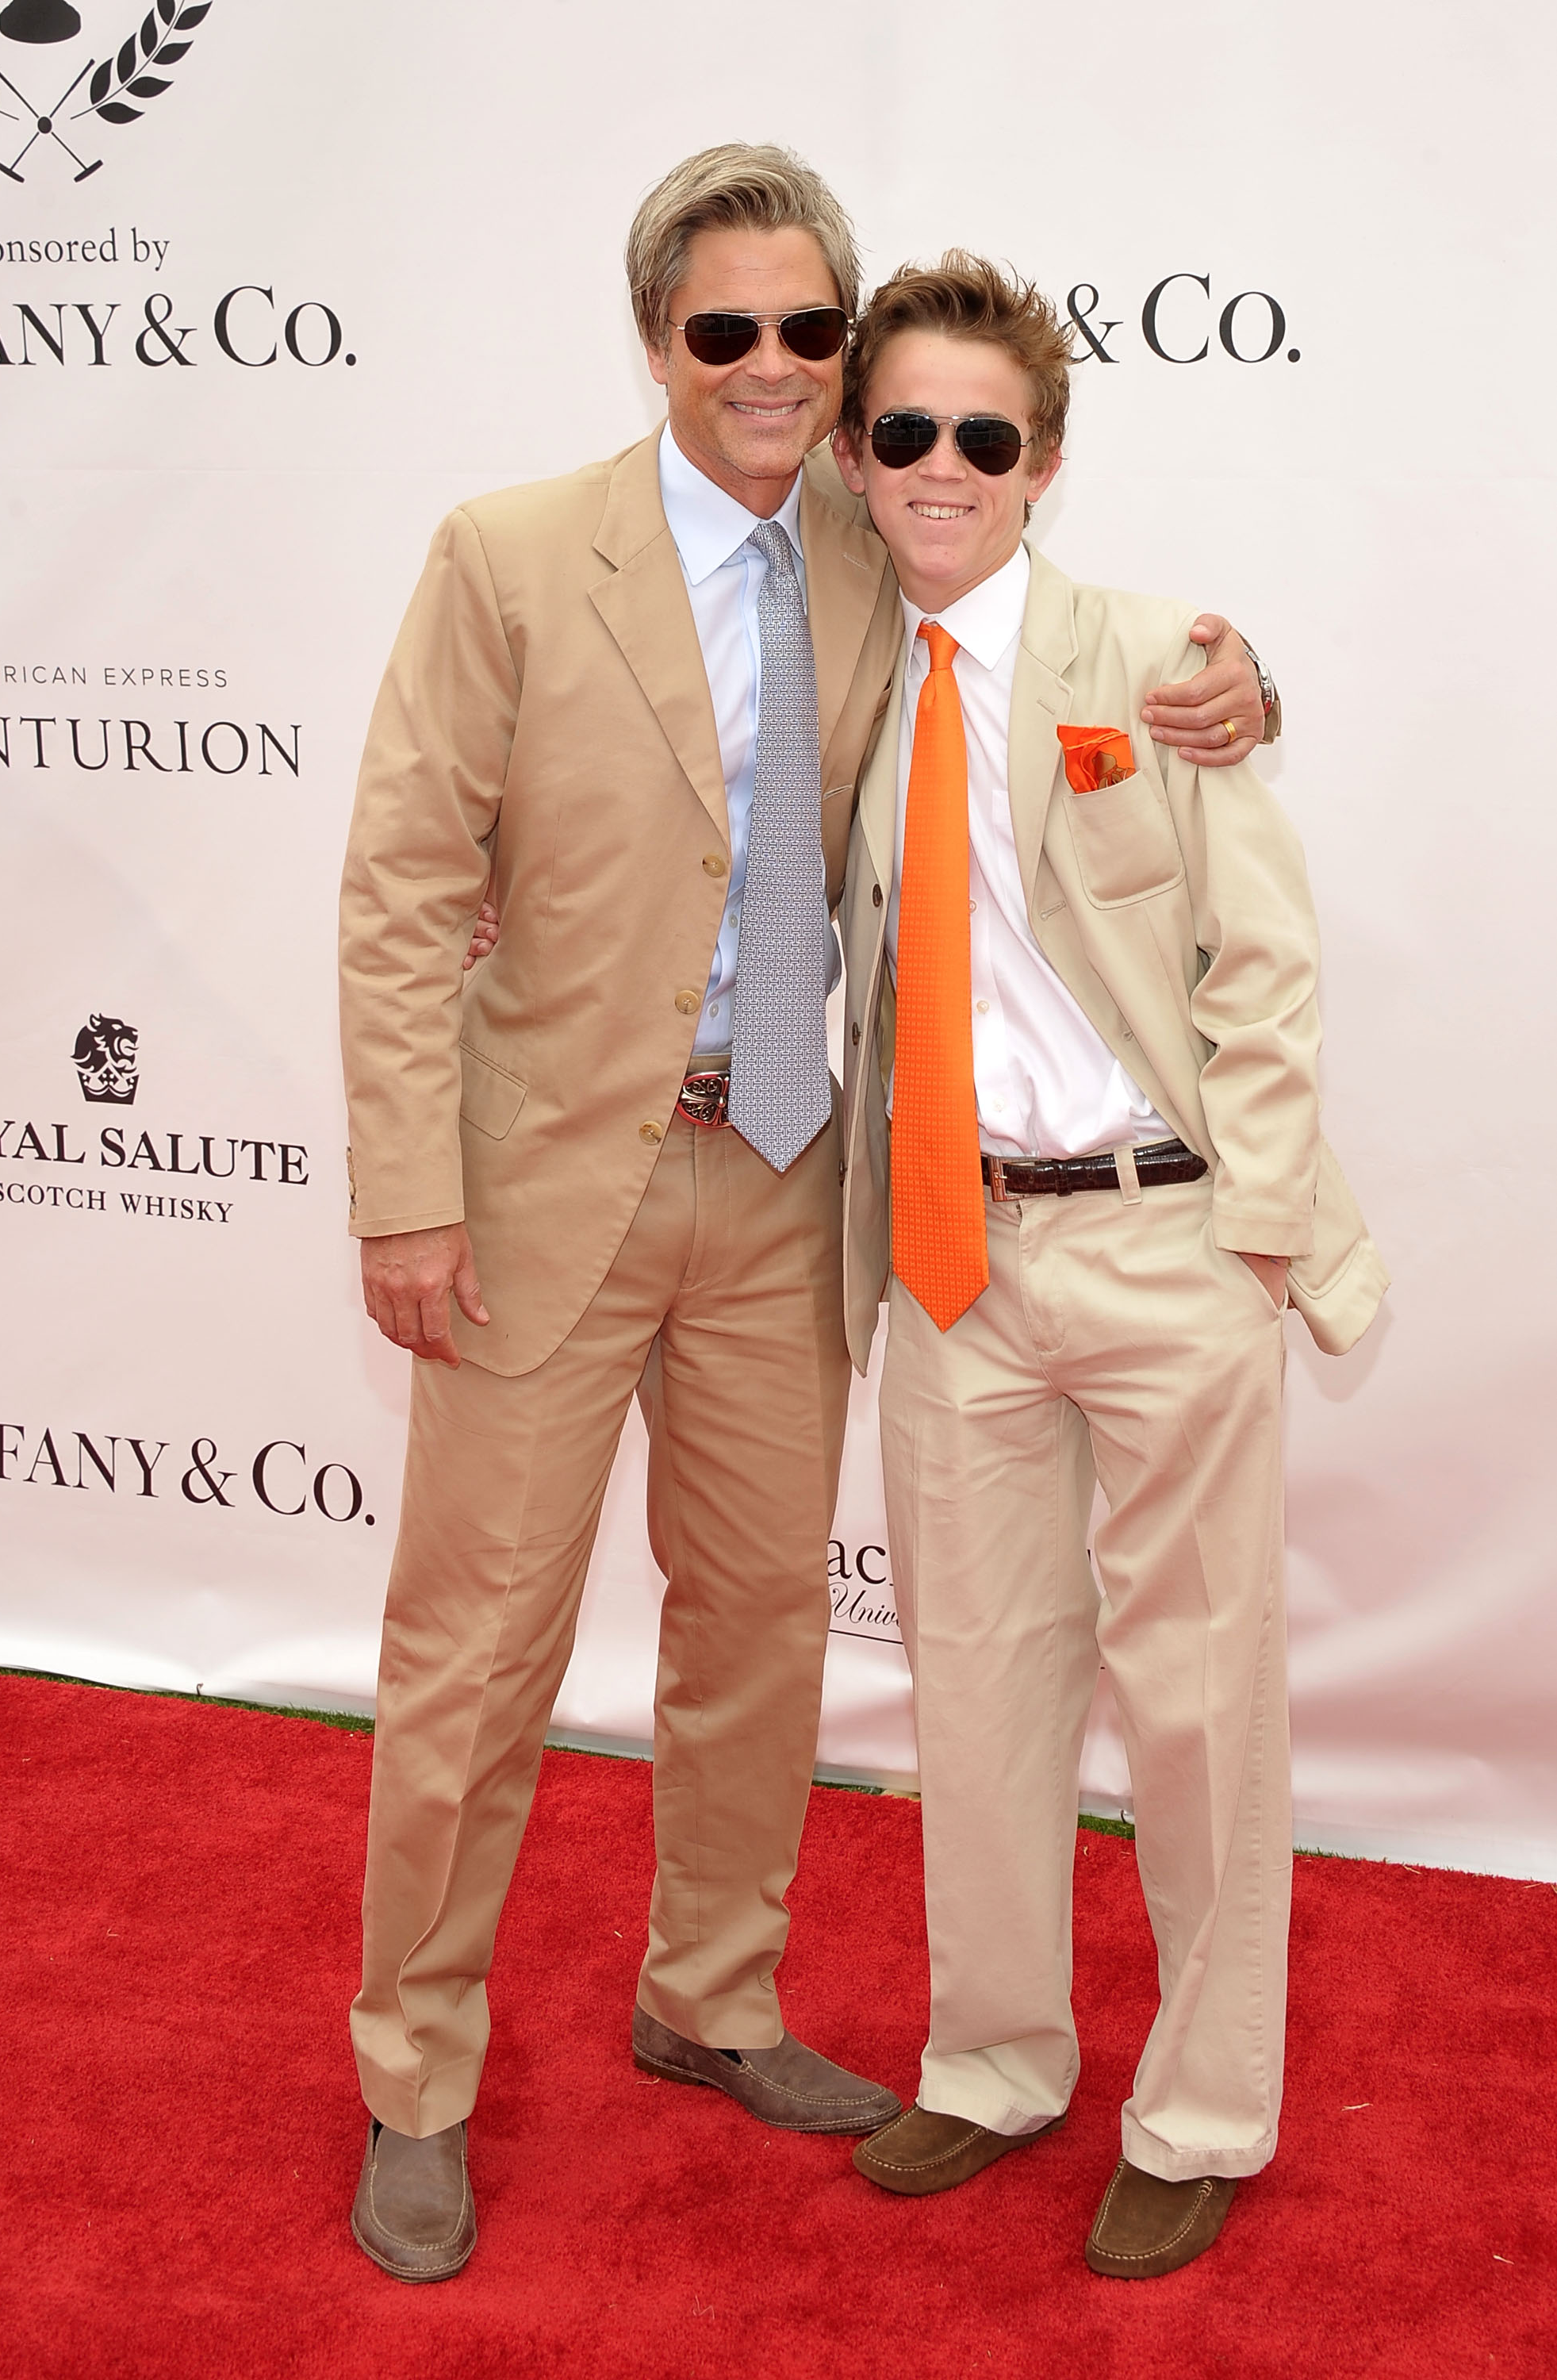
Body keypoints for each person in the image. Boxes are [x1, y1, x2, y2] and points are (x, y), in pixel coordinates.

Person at [337, 148, 1271, 2283]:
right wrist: (407, 1193)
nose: (771, 370)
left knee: (757, 1631)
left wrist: (1240, 691)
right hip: (538, 1182)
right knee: (471, 1662)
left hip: (786, 1181)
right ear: (659, 338)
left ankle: (716, 1999)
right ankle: (418, 2075)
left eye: (806, 334)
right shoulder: (504, 555)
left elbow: (1076, 651)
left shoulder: (880, 536)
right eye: (722, 330)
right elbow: (401, 889)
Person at [831, 255, 1386, 2275]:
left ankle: (1205, 2105)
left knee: (1198, 1699)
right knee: (972, 1685)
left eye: (985, 434)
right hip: (952, 1254)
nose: (944, 467)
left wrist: (1243, 1237)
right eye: (905, 431)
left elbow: (1266, 963)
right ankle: (990, 2062)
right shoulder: (837, 675)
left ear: (1042, 461)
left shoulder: (1159, 658)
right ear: (856, 452)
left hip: (1165, 1244)